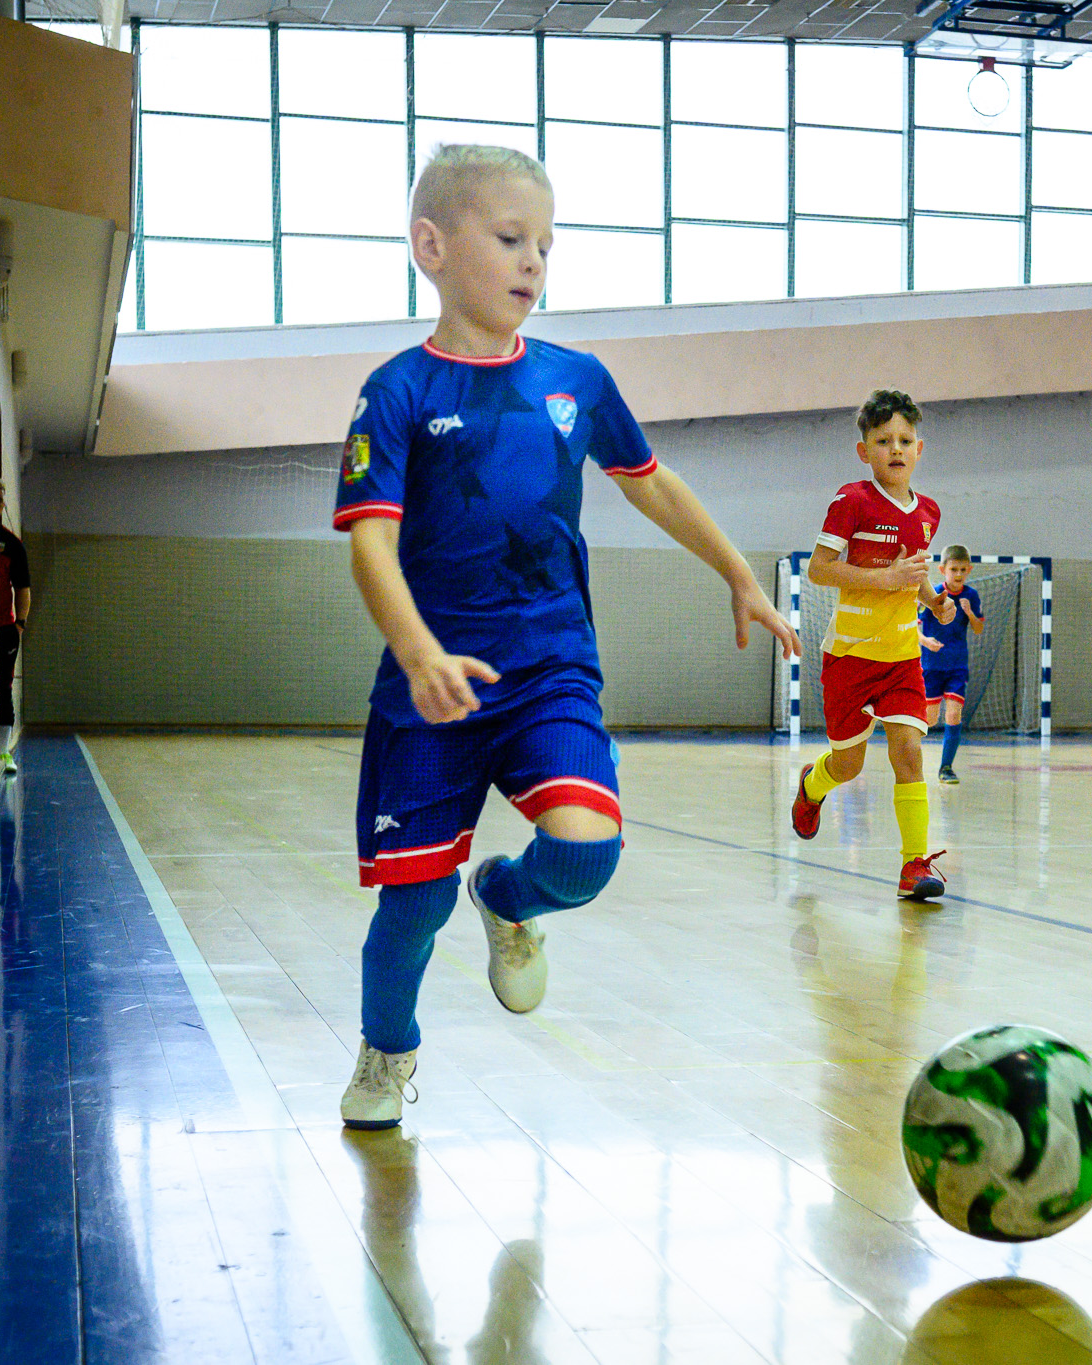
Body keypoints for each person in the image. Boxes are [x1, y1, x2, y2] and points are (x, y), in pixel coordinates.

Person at [332, 144, 801, 1130]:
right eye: (510, 238)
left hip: (550, 669)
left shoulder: (576, 380)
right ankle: (386, 1049)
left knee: (585, 852)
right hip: (431, 690)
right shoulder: (397, 391)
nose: (533, 261)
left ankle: (508, 900)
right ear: (430, 247)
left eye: (544, 244)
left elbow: (650, 482)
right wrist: (416, 652)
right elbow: (370, 544)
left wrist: (736, 571)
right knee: (412, 907)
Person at [789, 389, 952, 901]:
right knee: (849, 765)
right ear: (865, 451)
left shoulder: (928, 512)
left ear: (919, 449)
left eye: (904, 440)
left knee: (909, 753)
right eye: (883, 441)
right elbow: (819, 570)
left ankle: (913, 866)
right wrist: (883, 579)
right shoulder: (852, 501)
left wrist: (934, 600)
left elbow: (913, 572)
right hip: (850, 658)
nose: (895, 449)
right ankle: (811, 786)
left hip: (902, 659)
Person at [919, 545, 984, 784]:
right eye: (953, 569)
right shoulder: (933, 594)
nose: (958, 574)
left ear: (969, 570)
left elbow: (978, 628)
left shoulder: (971, 596)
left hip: (957, 666)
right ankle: (908, 757)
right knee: (930, 719)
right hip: (931, 666)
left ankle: (946, 768)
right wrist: (925, 641)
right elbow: (914, 627)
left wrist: (970, 613)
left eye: (963, 570)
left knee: (954, 714)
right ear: (942, 570)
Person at [0, 481, 31, 775]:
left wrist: (19, 624)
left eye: (1, 500)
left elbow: (22, 588)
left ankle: (3, 752)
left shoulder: (12, 545)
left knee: (4, 688)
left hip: (5, 629)